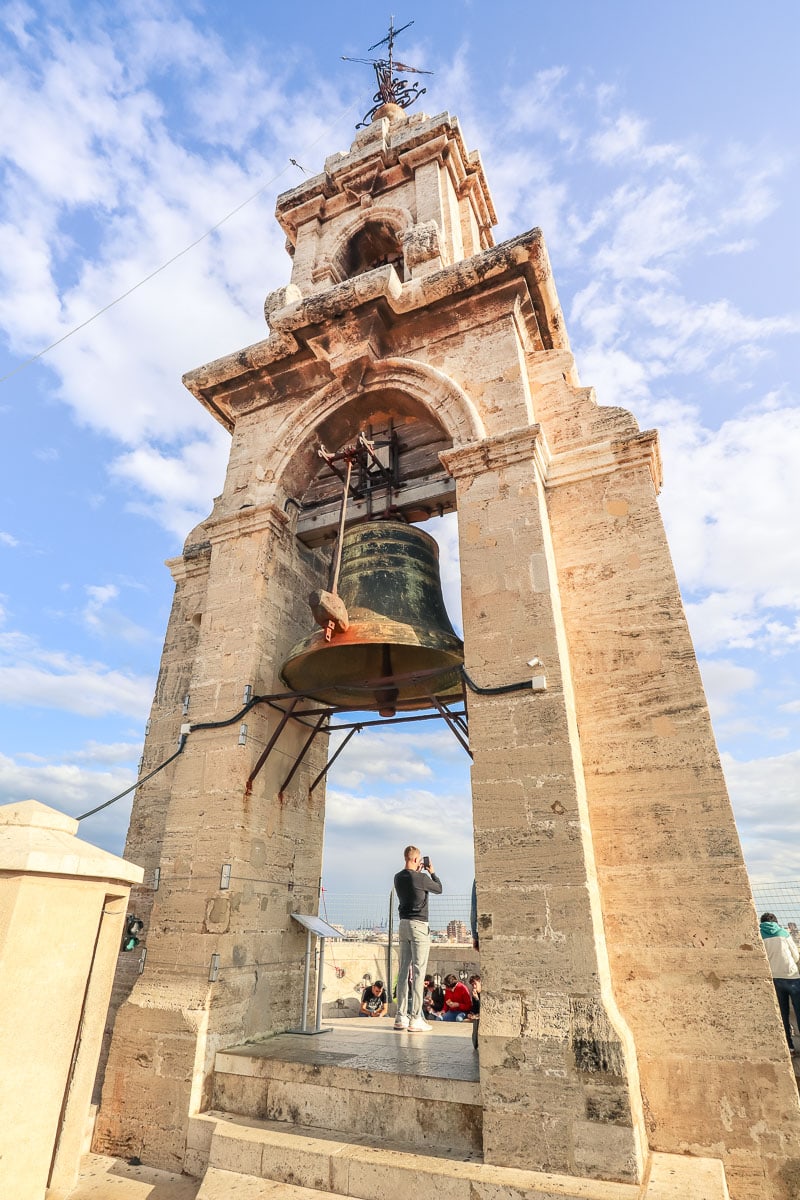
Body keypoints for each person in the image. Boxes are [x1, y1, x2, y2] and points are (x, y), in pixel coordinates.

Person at [393, 845, 442, 1033]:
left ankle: (400, 1016)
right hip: (419, 926)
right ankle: (415, 1018)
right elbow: (438, 888)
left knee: (404, 970)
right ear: (416, 860)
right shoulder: (421, 878)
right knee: (419, 971)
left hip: (403, 925)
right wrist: (432, 873)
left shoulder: (398, 877)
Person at [760, 912, 800, 1052]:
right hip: (792, 975)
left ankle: (789, 1046)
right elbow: (795, 955)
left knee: (782, 1014)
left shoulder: (758, 935)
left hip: (774, 978)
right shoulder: (783, 933)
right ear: (775, 921)